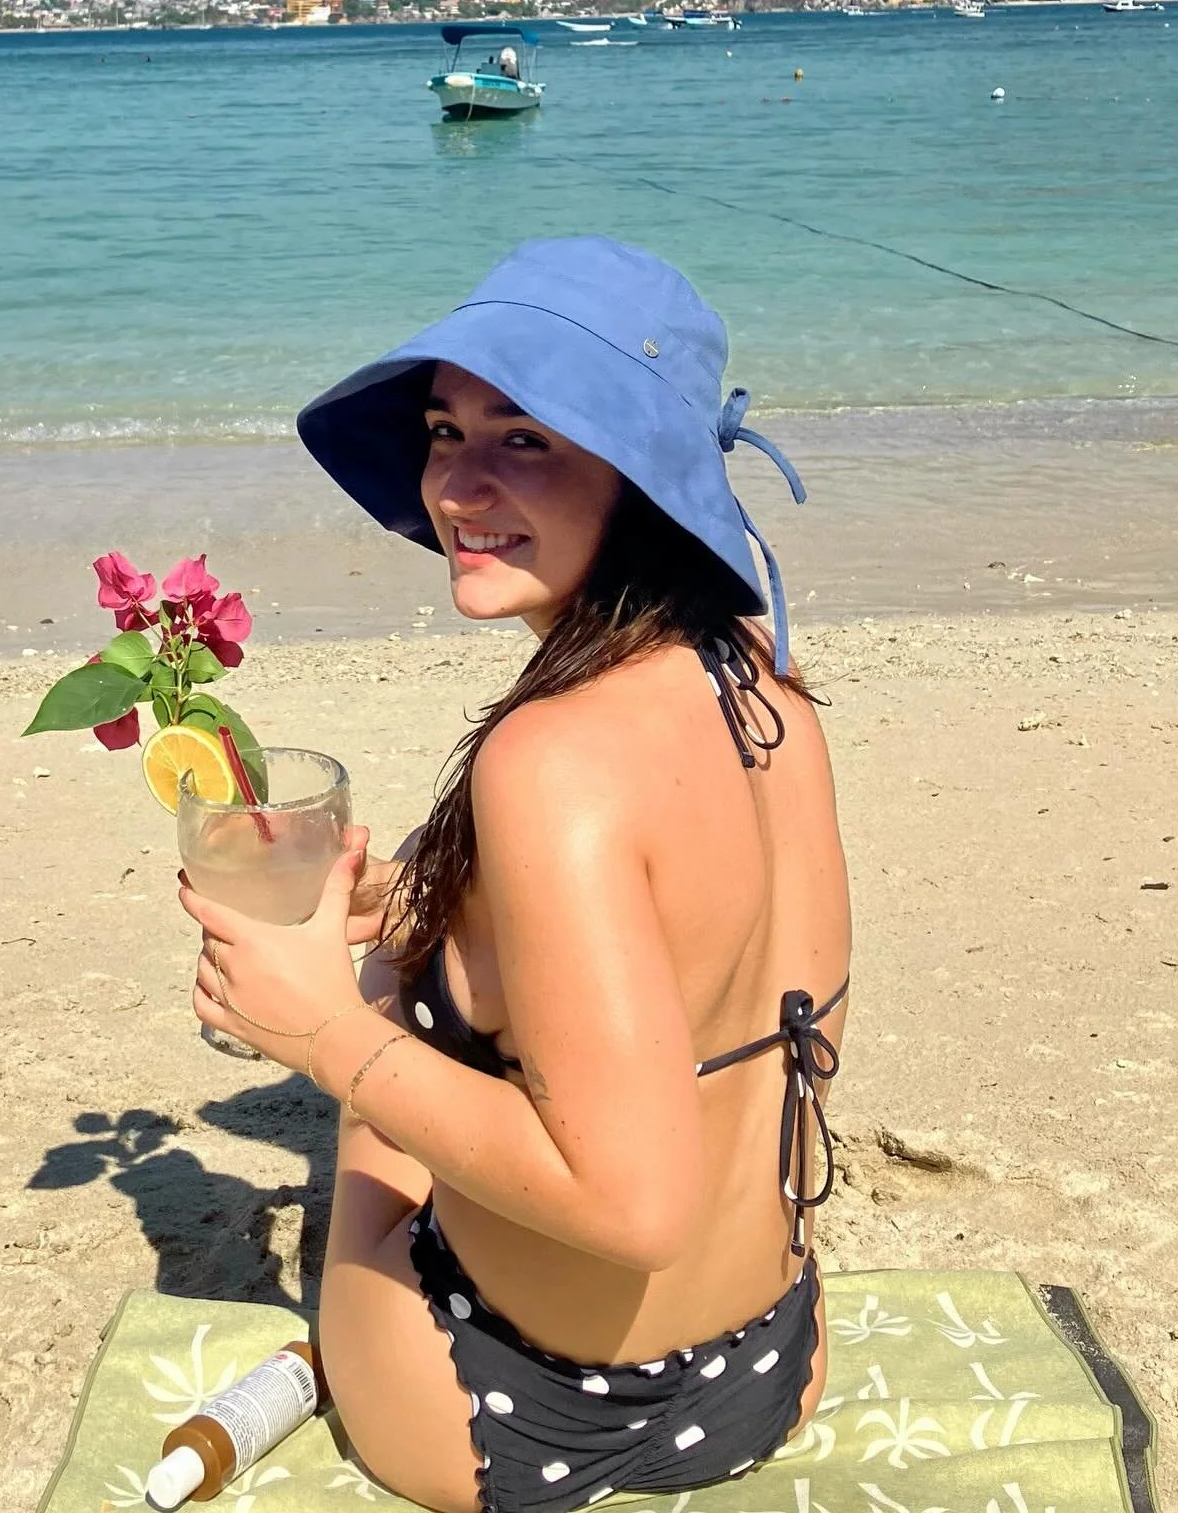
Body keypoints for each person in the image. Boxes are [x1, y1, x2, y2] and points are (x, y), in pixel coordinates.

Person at [178, 238, 851, 1513]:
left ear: (641, 478)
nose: (459, 483)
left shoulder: (549, 762)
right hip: (772, 1365)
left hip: (505, 1420)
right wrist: (449, 909)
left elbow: (632, 1206)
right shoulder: (763, 679)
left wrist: (334, 1025)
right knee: (418, 974)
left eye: (528, 437)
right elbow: (733, 982)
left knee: (376, 1047)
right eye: (444, 429)